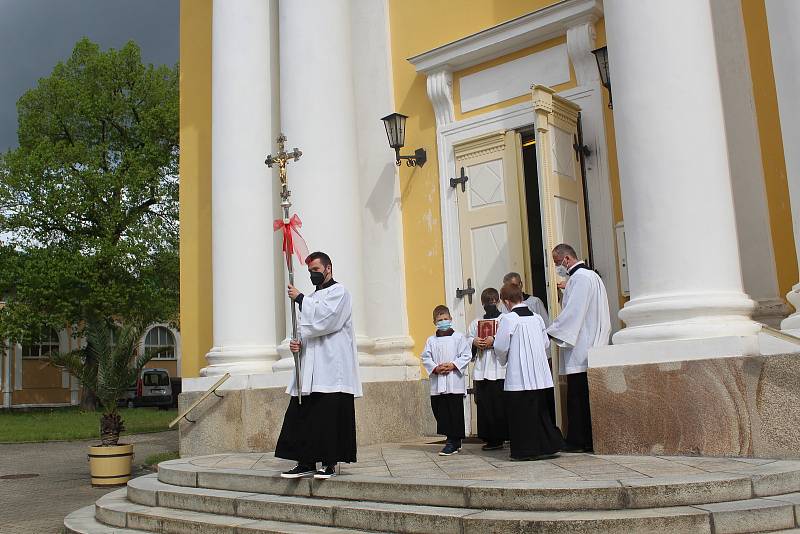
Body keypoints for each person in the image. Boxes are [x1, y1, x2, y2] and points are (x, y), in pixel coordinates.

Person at [276, 251, 362, 479]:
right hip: (310, 369)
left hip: (332, 367)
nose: (313, 274)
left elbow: (327, 321)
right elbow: (308, 330)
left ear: (328, 268)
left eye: (316, 270)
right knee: (304, 414)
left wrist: (301, 299)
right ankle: (305, 462)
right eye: (310, 271)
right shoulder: (313, 297)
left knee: (327, 417)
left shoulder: (340, 293)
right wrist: (298, 344)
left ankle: (329, 463)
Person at [546, 243, 611, 453]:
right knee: (581, 396)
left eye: (557, 263)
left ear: (566, 259)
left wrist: (551, 331)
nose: (557, 267)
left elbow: (574, 312)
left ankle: (577, 440)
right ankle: (586, 439)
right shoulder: (589, 276)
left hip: (582, 345)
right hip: (588, 342)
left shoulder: (580, 278)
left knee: (578, 396)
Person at [494, 283, 564, 460]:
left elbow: (501, 347)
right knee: (540, 411)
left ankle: (525, 450)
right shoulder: (537, 318)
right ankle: (546, 447)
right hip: (540, 375)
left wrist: (503, 360)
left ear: (507, 302)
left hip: (519, 375)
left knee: (521, 414)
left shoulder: (509, 319)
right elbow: (545, 343)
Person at [421, 305, 472, 456]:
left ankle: (453, 441)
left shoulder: (459, 337)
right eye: (439, 320)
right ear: (434, 322)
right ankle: (452, 438)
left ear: (451, 319)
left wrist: (454, 365)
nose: (443, 322)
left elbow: (466, 355)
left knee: (454, 411)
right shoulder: (431, 340)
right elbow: (425, 357)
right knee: (440, 411)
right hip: (438, 381)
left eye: (445, 319)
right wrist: (435, 368)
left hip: (453, 380)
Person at [466, 288, 508, 450]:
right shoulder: (476, 323)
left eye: (493, 301)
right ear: (482, 303)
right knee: (485, 404)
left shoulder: (504, 319)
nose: (490, 304)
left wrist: (494, 340)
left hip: (499, 367)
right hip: (483, 367)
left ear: (498, 301)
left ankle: (503, 436)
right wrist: (474, 342)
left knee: (500, 403)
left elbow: (508, 337)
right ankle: (490, 438)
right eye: (487, 301)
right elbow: (467, 339)